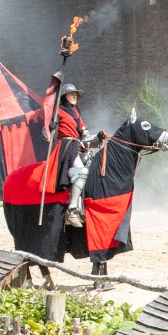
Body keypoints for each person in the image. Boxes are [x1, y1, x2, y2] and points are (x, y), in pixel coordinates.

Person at [52, 84, 102, 228]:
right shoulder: (58, 110)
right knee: (82, 172)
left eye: (76, 94)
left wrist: (98, 137)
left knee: (90, 170)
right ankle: (71, 210)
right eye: (72, 94)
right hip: (66, 147)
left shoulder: (75, 112)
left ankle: (82, 207)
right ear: (65, 96)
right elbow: (45, 132)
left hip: (77, 146)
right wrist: (49, 127)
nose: (75, 96)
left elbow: (85, 135)